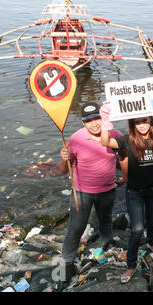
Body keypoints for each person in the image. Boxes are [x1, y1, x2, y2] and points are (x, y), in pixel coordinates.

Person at [99, 96, 153, 283]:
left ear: (151, 121)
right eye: (137, 122)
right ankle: (131, 265)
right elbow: (105, 142)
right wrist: (105, 119)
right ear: (132, 124)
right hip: (135, 192)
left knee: (152, 220)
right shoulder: (126, 140)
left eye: (145, 121)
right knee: (137, 230)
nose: (142, 125)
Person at [56, 101, 127, 284]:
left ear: (104, 118)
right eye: (89, 120)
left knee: (105, 220)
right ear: (82, 122)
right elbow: (64, 169)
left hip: (108, 190)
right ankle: (66, 264)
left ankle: (107, 245)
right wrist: (64, 158)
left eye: (98, 118)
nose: (94, 123)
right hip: (82, 192)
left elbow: (124, 157)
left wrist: (126, 176)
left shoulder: (115, 135)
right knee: (75, 228)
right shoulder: (75, 139)